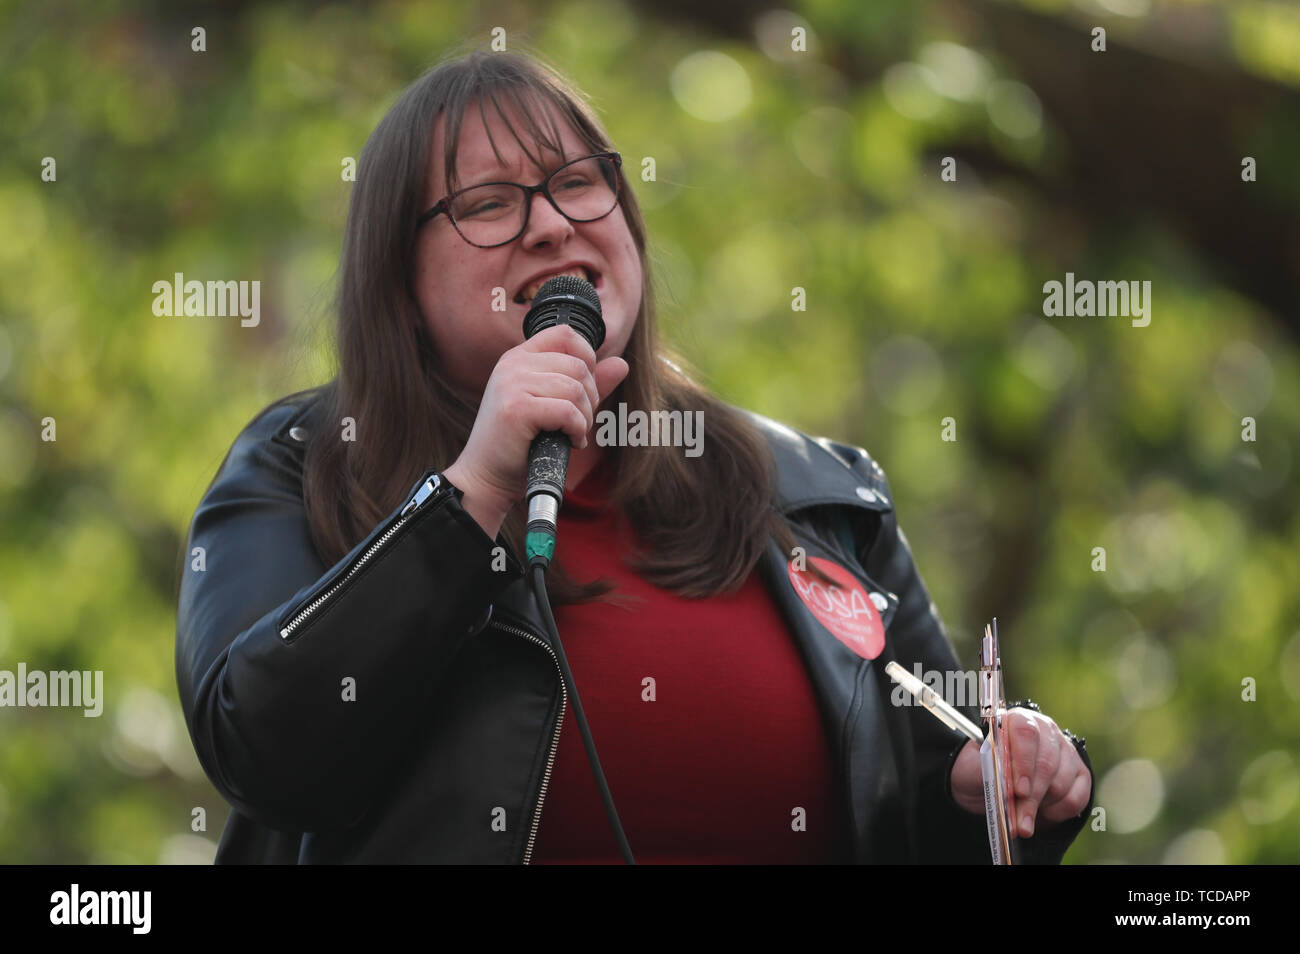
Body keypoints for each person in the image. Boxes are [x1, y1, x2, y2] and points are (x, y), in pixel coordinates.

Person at [175, 47, 1093, 864]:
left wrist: (1003, 785)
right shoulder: (307, 464)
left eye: (577, 183)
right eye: (488, 203)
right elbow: (259, 752)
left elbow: (928, 786)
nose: (549, 225)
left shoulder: (810, 492)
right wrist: (472, 492)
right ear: (400, 283)